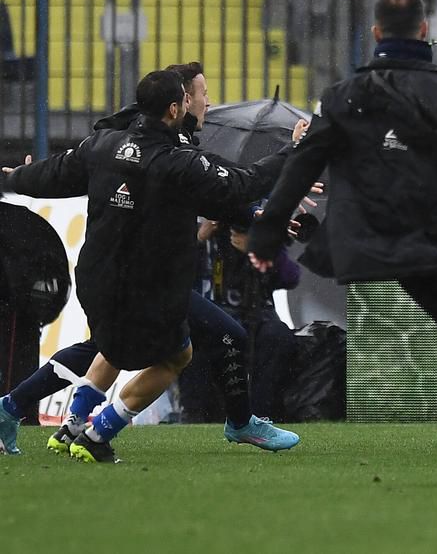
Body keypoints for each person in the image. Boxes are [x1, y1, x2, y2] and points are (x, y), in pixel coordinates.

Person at [247, 0, 437, 485]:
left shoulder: (343, 97)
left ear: (375, 34)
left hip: (388, 251)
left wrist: (265, 236)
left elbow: (302, 164)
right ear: (424, 31)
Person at [0, 62, 301, 456]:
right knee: (176, 356)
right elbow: (240, 185)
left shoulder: (104, 144)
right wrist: (294, 152)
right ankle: (96, 434)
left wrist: (14, 179)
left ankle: (50, 419)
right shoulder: (180, 161)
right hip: (150, 284)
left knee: (108, 350)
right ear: (177, 107)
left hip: (98, 278)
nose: (206, 102)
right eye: (198, 95)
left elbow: (56, 174)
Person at [183, 218, 300, 421]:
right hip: (208, 315)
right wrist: (199, 237)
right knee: (191, 340)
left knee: (278, 336)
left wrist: (257, 249)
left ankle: (259, 417)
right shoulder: (196, 229)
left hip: (257, 317)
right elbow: (168, 268)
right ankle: (197, 418)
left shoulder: (257, 229)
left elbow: (290, 277)